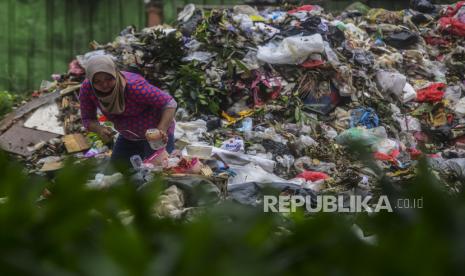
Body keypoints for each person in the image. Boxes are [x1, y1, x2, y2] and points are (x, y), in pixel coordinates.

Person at [79, 55, 177, 166]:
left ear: (115, 73)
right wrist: (99, 129)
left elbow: (169, 103)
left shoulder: (133, 86)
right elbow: (87, 118)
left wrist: (161, 130)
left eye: (109, 79)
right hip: (128, 136)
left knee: (158, 172)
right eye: (97, 82)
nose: (105, 85)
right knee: (118, 170)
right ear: (91, 80)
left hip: (155, 137)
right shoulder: (88, 89)